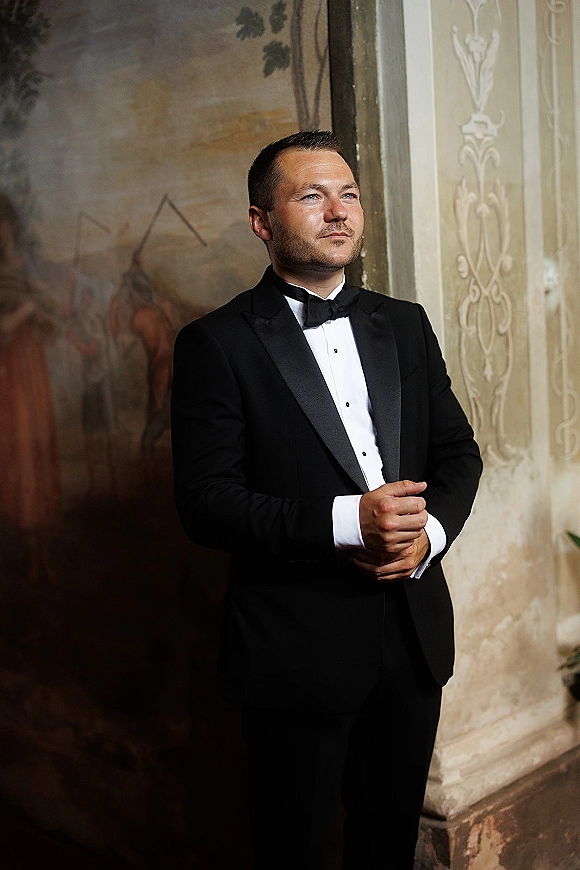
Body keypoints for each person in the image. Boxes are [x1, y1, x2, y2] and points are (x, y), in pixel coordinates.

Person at [171, 131, 482, 869]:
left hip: (411, 637)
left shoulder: (403, 322)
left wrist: (427, 536)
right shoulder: (215, 343)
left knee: (387, 844)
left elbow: (457, 454)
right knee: (295, 850)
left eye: (348, 193)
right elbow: (205, 502)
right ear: (261, 221)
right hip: (293, 652)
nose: (337, 212)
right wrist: (351, 521)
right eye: (311, 195)